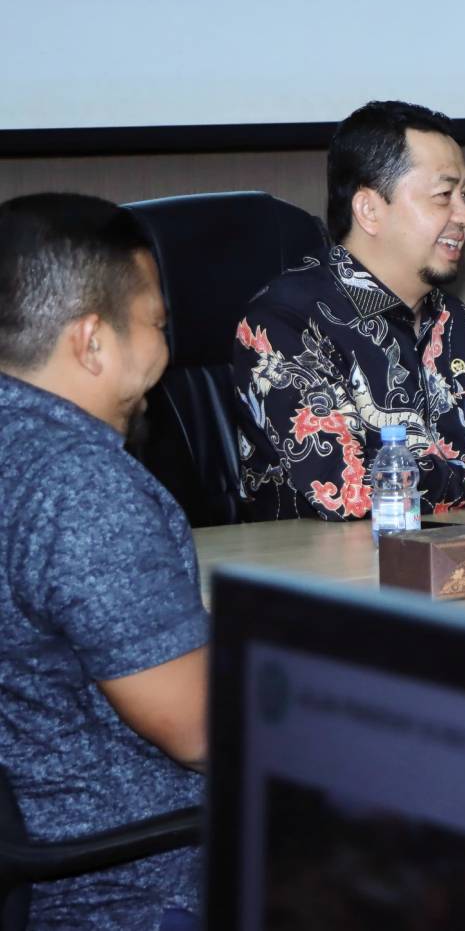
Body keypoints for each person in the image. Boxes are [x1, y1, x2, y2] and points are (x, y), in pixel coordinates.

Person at [0, 194, 208, 930]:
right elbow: (202, 729)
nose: (165, 350)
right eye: (155, 324)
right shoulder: (79, 483)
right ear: (92, 341)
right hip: (137, 887)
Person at [232, 100, 465, 520]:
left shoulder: (454, 322)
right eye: (443, 196)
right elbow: (348, 490)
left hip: (447, 559)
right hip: (322, 574)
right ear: (370, 210)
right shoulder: (285, 322)